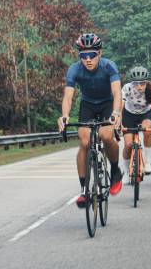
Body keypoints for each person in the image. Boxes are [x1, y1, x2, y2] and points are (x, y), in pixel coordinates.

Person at [57, 33, 123, 208]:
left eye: (92, 55)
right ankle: (84, 190)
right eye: (83, 56)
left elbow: (117, 92)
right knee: (85, 141)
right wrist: (64, 115)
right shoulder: (74, 69)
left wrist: (116, 113)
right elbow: (68, 97)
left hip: (108, 104)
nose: (88, 59)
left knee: (106, 135)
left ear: (99, 53)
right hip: (88, 105)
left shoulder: (109, 66)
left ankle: (115, 170)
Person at [120, 66, 151, 180]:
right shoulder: (126, 88)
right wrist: (119, 121)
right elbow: (120, 106)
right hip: (129, 114)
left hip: (145, 113)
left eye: (142, 83)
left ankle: (147, 162)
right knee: (128, 145)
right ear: (131, 83)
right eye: (136, 83)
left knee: (148, 130)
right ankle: (127, 170)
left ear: (146, 82)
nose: (139, 86)